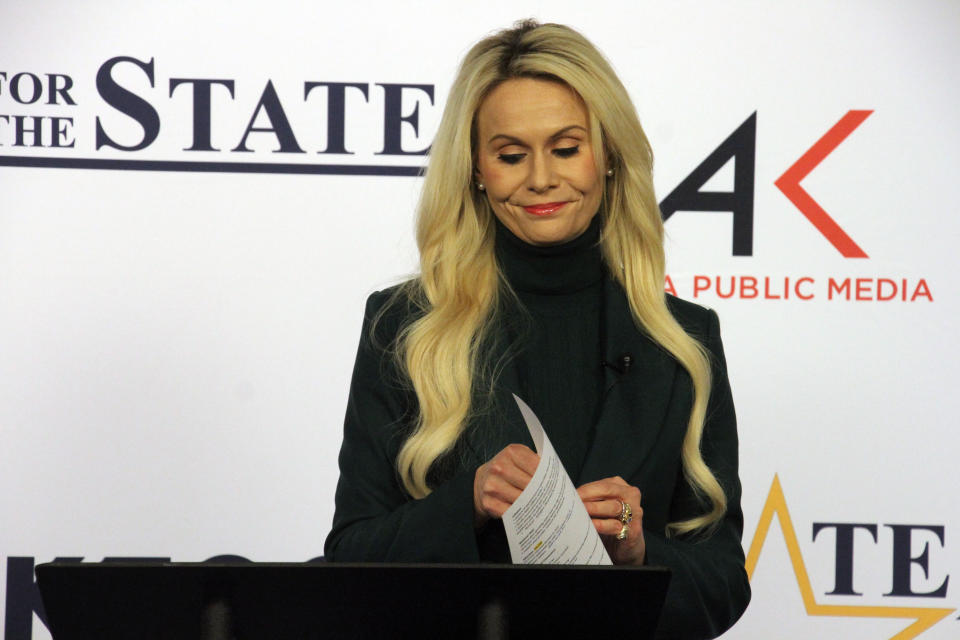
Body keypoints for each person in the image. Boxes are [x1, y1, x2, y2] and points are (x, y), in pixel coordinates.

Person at [325, 20, 750, 639]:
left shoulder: (684, 341)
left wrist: (639, 555)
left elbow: (724, 585)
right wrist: (464, 503)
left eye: (566, 147)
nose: (542, 178)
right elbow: (349, 563)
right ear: (475, 169)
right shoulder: (403, 329)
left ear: (606, 156)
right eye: (511, 154)